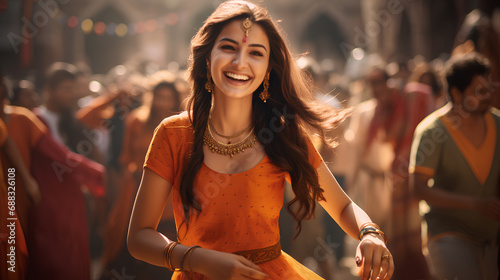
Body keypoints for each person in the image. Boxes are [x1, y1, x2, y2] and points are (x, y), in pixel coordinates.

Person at [127, 1, 393, 280]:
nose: (240, 62)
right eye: (228, 47)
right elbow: (139, 237)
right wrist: (198, 259)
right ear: (207, 57)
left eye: (255, 53)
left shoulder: (283, 135)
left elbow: (343, 206)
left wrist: (370, 233)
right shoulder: (173, 134)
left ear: (268, 69)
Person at [410, 52, 500, 279]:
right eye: (479, 91)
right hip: (447, 233)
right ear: (456, 94)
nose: (489, 96)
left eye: (489, 88)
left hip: (491, 236)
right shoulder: (432, 132)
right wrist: (473, 204)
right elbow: (418, 189)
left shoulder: (498, 124)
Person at [345, 65, 430, 280]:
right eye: (371, 84)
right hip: (371, 183)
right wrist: (351, 185)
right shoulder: (366, 112)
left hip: (394, 181)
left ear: (387, 82)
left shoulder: (400, 105)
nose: (376, 88)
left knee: (404, 232)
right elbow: (357, 153)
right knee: (377, 231)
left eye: (379, 82)